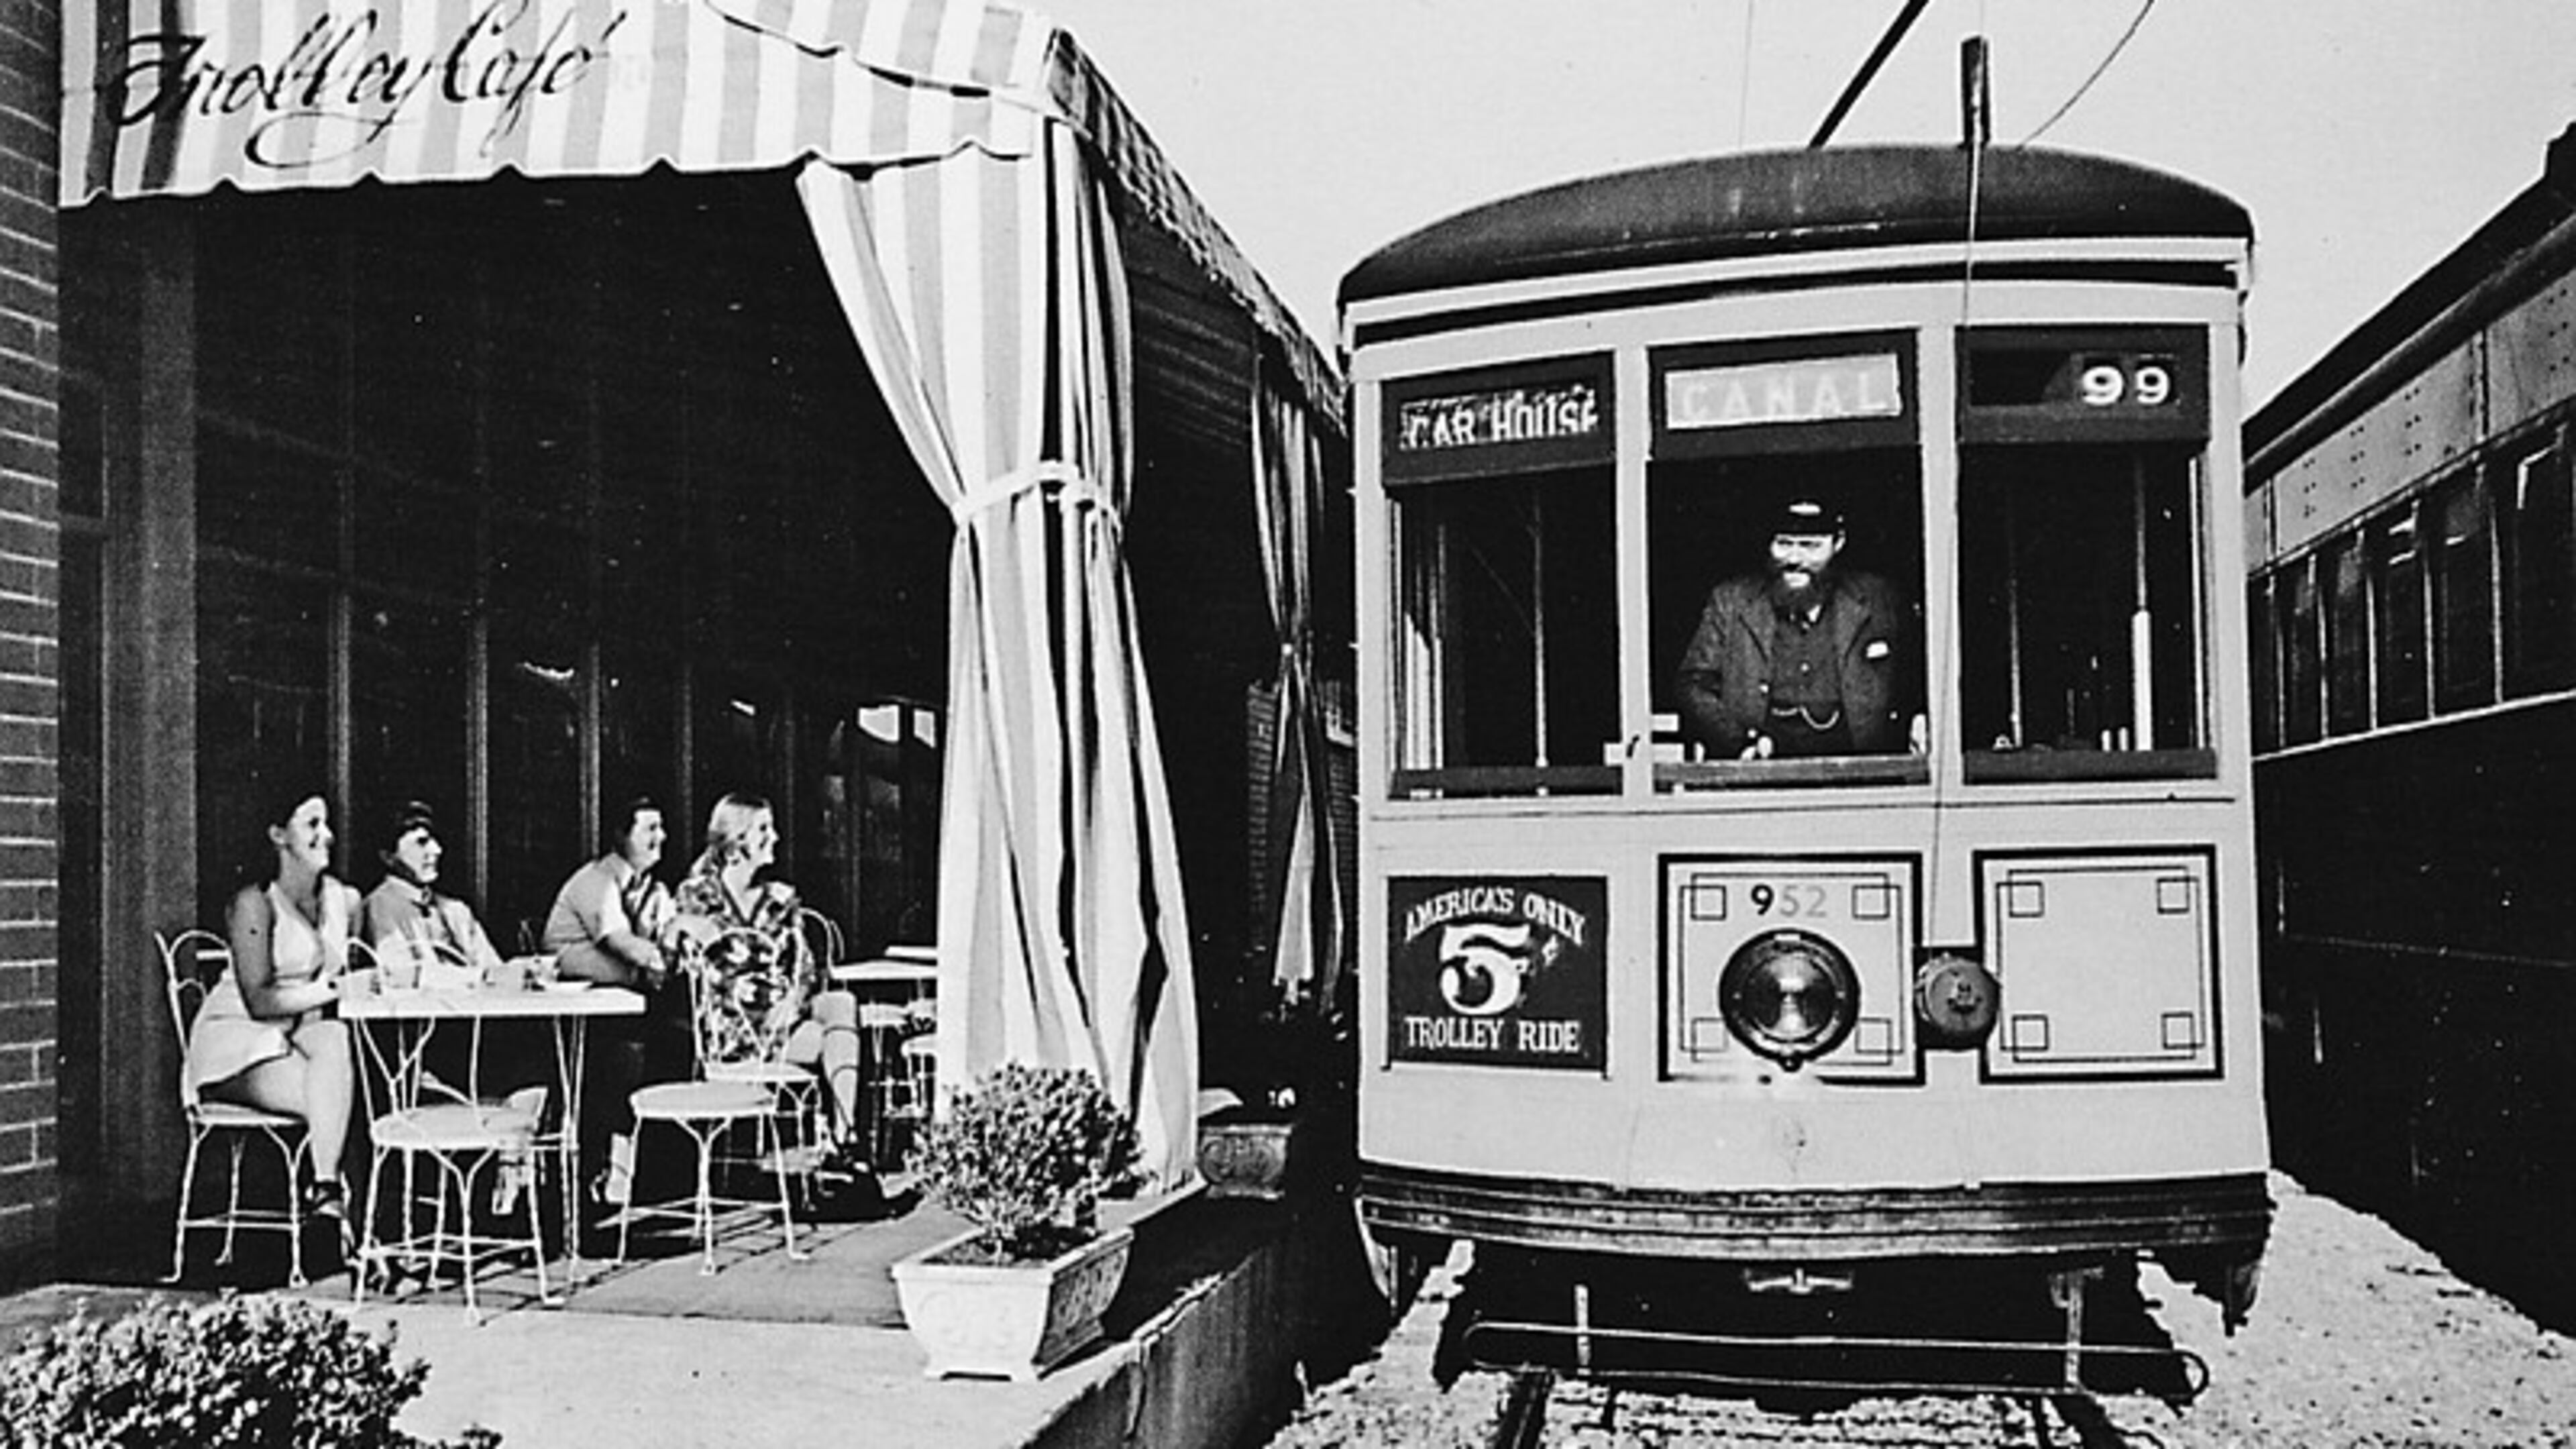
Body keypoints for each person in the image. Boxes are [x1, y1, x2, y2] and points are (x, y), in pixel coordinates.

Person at [182, 786, 360, 1254]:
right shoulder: (254, 904)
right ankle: (346, 1220)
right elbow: (259, 999)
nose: (328, 836)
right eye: (312, 825)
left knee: (338, 1043)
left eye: (327, 824)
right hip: (237, 1041)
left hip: (295, 1034)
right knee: (339, 1102)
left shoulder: (343, 901)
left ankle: (327, 1195)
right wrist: (330, 991)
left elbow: (351, 971)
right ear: (279, 835)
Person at [670, 792, 867, 1181]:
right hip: (736, 1032)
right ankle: (843, 1143)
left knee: (841, 1003)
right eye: (764, 829)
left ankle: (844, 1137)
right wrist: (679, 927)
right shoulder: (698, 897)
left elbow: (805, 968)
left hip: (785, 1022)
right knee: (834, 1037)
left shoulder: (782, 898)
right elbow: (684, 962)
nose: (775, 837)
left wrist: (794, 1001)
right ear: (738, 841)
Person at [1675, 497, 1920, 759]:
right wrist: (1739, 742)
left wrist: (1920, 718)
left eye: (1810, 547)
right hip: (1759, 772)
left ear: (1838, 543)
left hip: (1859, 773)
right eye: (1784, 544)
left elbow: (1920, 672)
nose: (1794, 558)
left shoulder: (1880, 599)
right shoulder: (1731, 601)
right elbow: (1694, 684)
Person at [540, 794, 683, 1216]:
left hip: (622, 1011)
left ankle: (648, 1177)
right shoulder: (596, 881)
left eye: (661, 827)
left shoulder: (653, 890)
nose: (662, 837)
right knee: (624, 1060)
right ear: (621, 836)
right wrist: (662, 961)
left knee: (675, 1046)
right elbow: (623, 943)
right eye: (650, 829)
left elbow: (670, 937)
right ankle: (589, 1179)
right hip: (571, 1019)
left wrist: (671, 949)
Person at [362, 799, 504, 979]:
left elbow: (496, 972)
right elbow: (403, 978)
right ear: (388, 857)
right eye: (421, 842)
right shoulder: (380, 907)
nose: (437, 850)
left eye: (435, 841)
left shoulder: (456, 910)